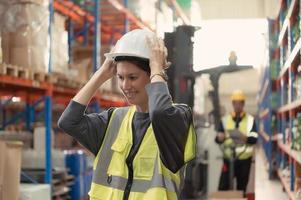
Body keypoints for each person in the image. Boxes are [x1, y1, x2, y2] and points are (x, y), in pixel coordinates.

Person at [58, 29, 196, 200]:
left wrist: (157, 69)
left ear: (152, 74)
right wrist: (100, 75)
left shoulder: (178, 117)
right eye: (120, 77)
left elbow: (159, 112)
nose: (125, 85)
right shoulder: (114, 120)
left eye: (132, 77)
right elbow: (68, 121)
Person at [215, 89, 257, 195]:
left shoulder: (251, 120)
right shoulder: (225, 120)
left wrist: (245, 138)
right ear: (233, 104)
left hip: (244, 160)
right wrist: (220, 137)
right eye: (235, 103)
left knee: (241, 189)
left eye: (240, 103)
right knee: (223, 188)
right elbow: (218, 138)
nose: (238, 106)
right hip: (228, 160)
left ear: (243, 104)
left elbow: (254, 138)